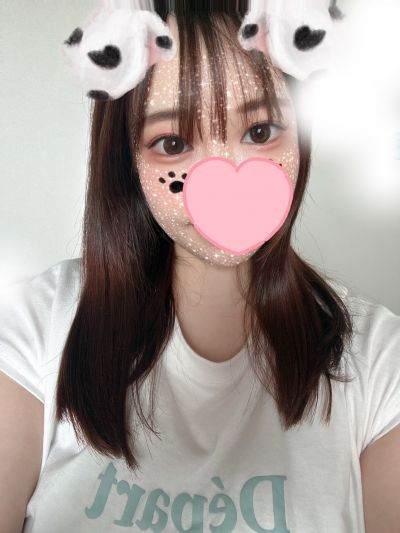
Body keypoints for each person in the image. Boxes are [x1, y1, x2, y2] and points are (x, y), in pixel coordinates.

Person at [0, 1, 399, 532]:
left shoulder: (381, 362)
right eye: (172, 143)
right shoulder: (35, 327)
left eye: (260, 132)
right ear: (128, 162)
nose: (222, 178)